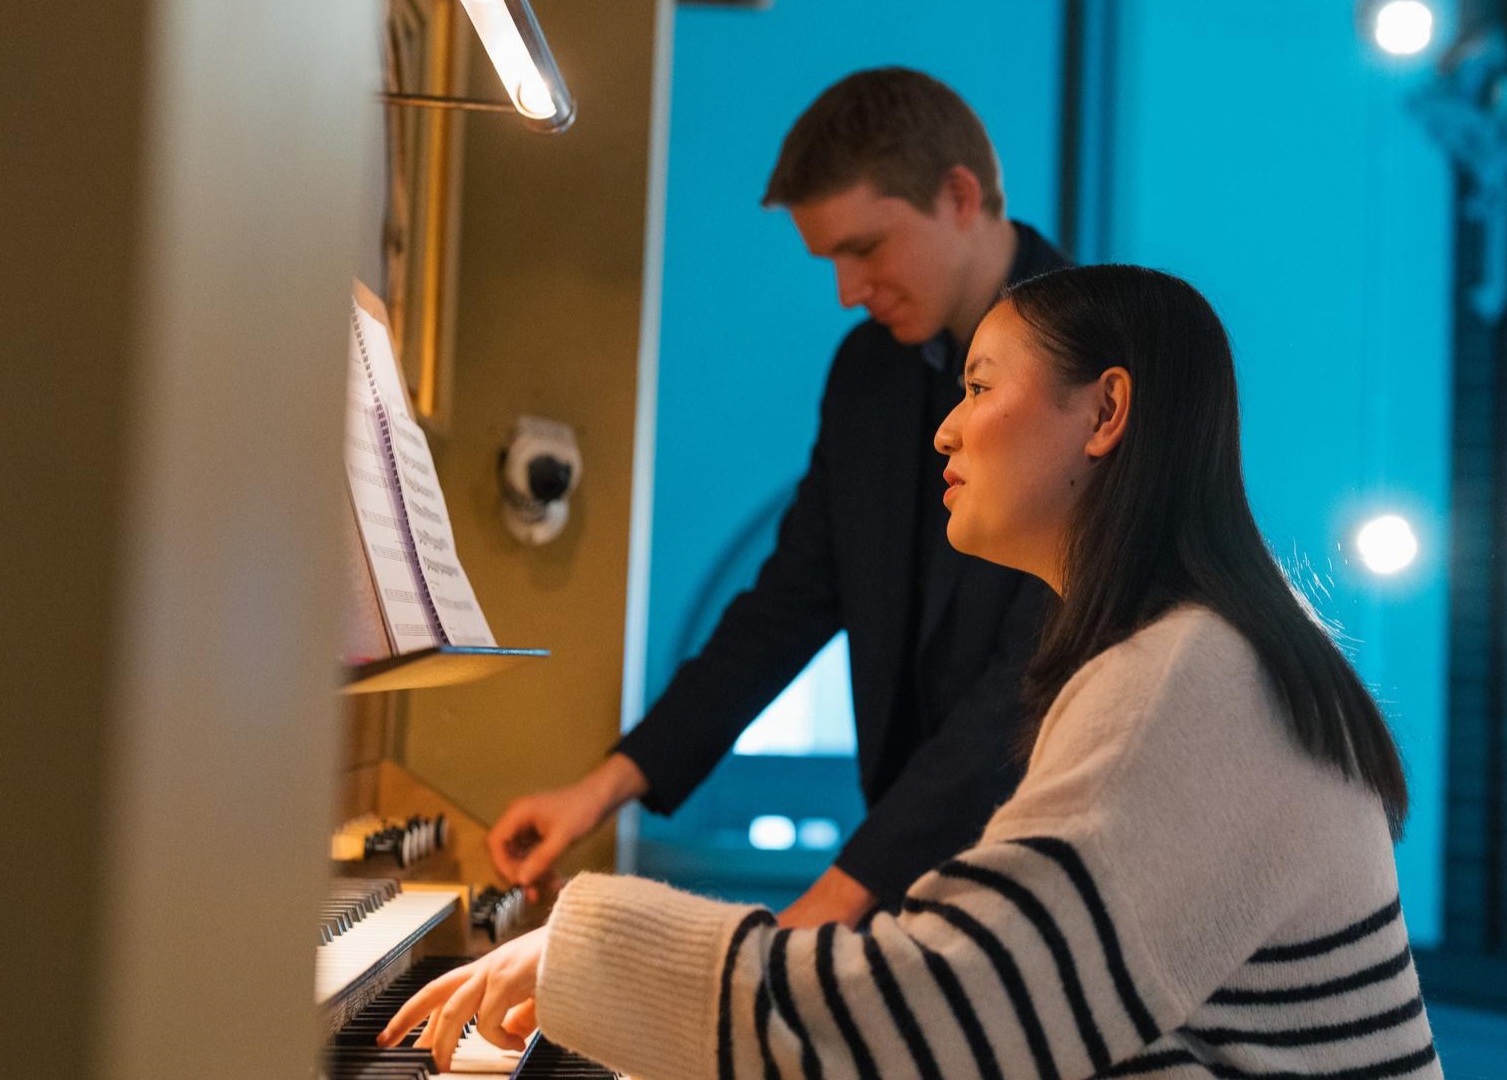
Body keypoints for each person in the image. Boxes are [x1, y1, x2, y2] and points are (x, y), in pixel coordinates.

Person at [380, 265, 1444, 1080]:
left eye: (980, 387)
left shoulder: (1194, 677)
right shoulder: (1201, 652)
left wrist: (588, 949)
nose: (944, 425)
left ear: (1105, 414)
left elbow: (947, 1006)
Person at [489, 68, 1068, 929]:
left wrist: (834, 900)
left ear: (959, 195)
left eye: (865, 247)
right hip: (908, 875)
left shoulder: (1084, 362)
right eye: (829, 258)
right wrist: (606, 786)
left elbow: (1032, 681)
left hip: (1045, 869)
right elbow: (790, 601)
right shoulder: (868, 372)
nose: (845, 289)